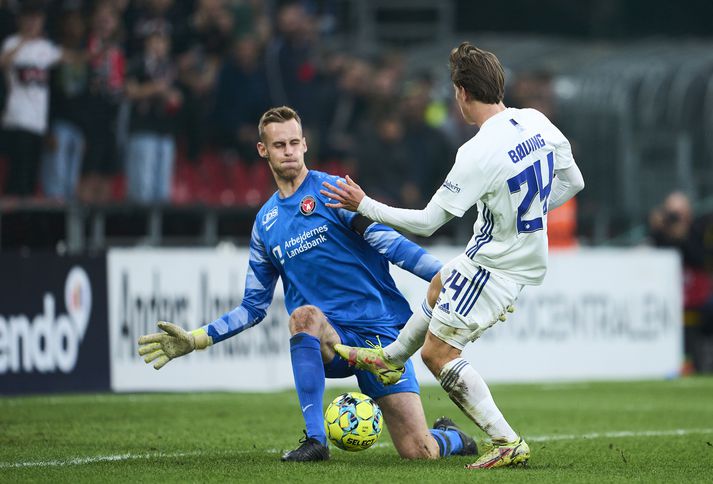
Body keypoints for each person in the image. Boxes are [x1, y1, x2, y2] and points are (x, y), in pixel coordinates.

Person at [137, 106, 478, 463]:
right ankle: (316, 441)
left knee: (419, 452)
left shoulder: (334, 193)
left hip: (382, 337)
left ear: (305, 145)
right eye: (279, 144)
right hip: (330, 339)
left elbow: (392, 245)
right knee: (304, 317)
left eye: (294, 142)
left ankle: (451, 437)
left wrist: (450, 279)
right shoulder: (265, 225)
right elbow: (253, 307)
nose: (288, 150)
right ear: (262, 150)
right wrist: (197, 338)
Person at [321, 42, 585, 469]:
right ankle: (389, 360)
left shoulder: (476, 152)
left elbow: (427, 222)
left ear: (461, 93)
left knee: (437, 354)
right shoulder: (535, 120)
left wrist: (363, 204)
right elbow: (573, 182)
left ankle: (506, 441)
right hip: (507, 255)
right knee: (441, 282)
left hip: (496, 263)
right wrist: (526, 216)